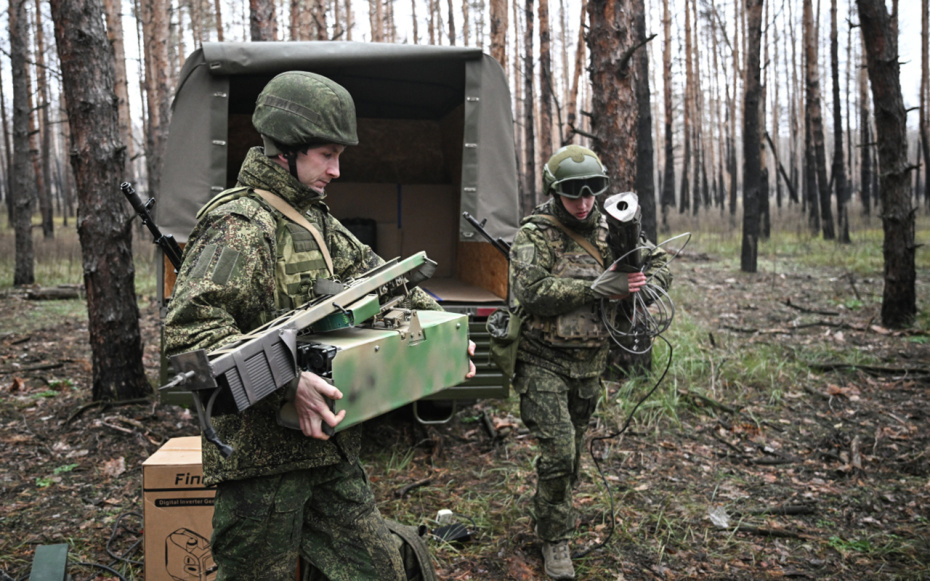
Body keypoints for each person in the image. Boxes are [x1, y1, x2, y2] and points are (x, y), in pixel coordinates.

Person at [164, 70, 475, 581]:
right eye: (326, 155)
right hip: (261, 467)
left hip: (329, 449)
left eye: (339, 156)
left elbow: (384, 281)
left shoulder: (317, 221)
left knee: (380, 571)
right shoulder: (240, 226)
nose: (336, 169)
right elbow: (186, 344)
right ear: (285, 149)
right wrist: (289, 380)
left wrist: (447, 331)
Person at [508, 145, 672, 580]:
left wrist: (644, 286)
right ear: (555, 191)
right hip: (542, 360)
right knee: (560, 451)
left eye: (591, 194)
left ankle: (552, 506)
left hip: (590, 364)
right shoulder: (535, 235)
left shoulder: (611, 227)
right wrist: (595, 288)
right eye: (573, 195)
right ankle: (554, 538)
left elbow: (658, 260)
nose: (583, 204)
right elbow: (531, 292)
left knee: (574, 451)